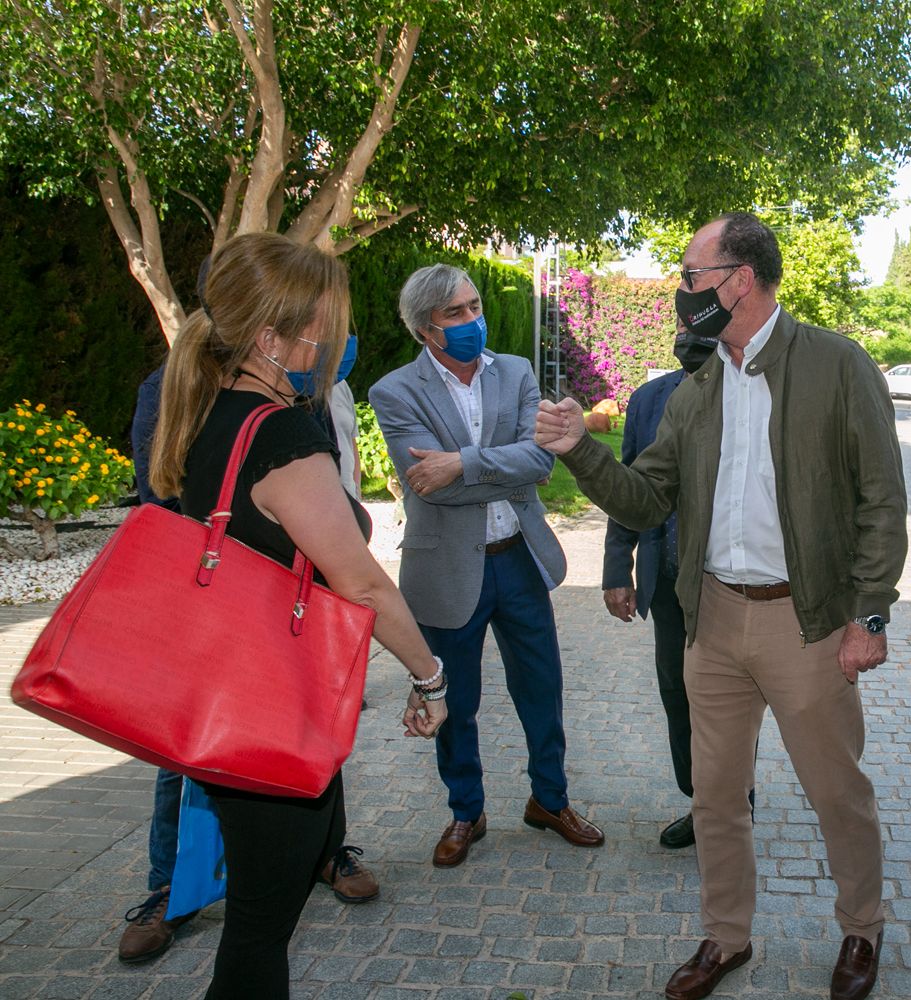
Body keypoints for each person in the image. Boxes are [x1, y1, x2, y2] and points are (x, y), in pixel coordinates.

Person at [536, 212, 906, 1000]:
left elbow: (882, 499)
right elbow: (645, 496)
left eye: (691, 276)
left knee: (836, 791)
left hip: (806, 621)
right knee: (715, 796)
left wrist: (868, 614)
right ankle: (726, 936)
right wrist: (580, 450)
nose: (681, 291)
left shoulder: (837, 365)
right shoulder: (700, 383)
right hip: (710, 617)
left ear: (740, 281)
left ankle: (861, 928)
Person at [148, 232, 446, 998]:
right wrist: (430, 677)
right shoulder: (281, 434)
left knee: (258, 919)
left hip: (231, 699)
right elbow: (363, 584)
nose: (339, 337)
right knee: (256, 933)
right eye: (327, 322)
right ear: (273, 335)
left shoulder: (214, 410)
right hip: (268, 716)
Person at [118, 291, 376, 967]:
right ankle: (168, 887)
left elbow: (333, 495)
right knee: (190, 754)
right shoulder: (181, 388)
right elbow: (163, 496)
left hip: (296, 612)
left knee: (311, 744)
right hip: (222, 614)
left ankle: (325, 851)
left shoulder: (307, 390)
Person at [369, 263, 604, 864]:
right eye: (457, 313)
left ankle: (549, 800)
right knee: (457, 700)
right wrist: (486, 466)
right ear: (427, 328)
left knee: (542, 687)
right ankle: (465, 813)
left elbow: (542, 463)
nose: (475, 320)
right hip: (446, 570)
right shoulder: (395, 392)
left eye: (475, 306)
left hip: (519, 560)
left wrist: (462, 464)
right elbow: (430, 487)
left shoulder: (518, 372)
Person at [600, 330, 715, 850]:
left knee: (728, 696)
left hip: (729, 583)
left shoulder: (751, 393)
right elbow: (627, 489)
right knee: (677, 691)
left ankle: (732, 803)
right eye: (683, 324)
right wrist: (616, 569)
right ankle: (700, 800)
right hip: (666, 580)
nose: (689, 336)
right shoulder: (648, 399)